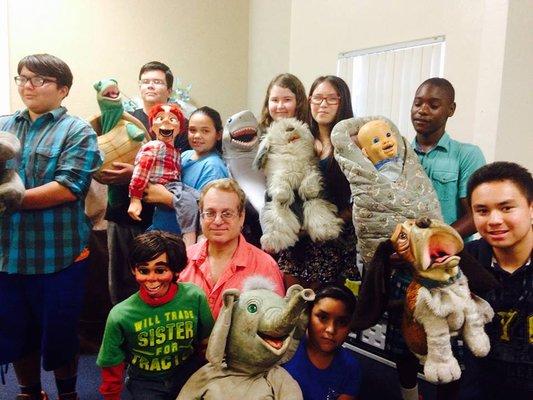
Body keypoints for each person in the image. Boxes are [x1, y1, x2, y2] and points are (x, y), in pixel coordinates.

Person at [0, 54, 102, 400]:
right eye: (22, 78)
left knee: (60, 335)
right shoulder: (3, 127)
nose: (27, 85)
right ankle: (29, 392)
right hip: (7, 255)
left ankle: (68, 393)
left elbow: (68, 187)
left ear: (63, 89)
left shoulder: (77, 131)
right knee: (15, 332)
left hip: (58, 257)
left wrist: (9, 198)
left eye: (38, 79)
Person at [99, 61, 189, 304]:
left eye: (158, 82)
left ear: (169, 90)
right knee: (122, 278)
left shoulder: (182, 126)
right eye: (146, 81)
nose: (151, 86)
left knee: (161, 280)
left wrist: (135, 173)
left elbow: (178, 172)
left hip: (161, 218)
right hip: (121, 213)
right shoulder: (126, 120)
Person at [97, 230, 214, 400]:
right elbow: (111, 364)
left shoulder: (194, 297)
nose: (151, 278)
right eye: (144, 270)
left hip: (188, 374)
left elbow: (208, 342)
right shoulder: (120, 315)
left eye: (160, 270)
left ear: (175, 270)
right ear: (133, 270)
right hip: (145, 382)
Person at [274, 75, 360, 289]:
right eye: (317, 98)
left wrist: (336, 219)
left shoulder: (354, 143)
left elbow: (366, 196)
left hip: (333, 241)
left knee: (325, 312)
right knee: (292, 311)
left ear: (343, 102)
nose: (323, 104)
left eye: (331, 99)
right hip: (297, 242)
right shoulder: (300, 138)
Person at [465, 161, 532, 399]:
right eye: (482, 211)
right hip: (480, 386)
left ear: (531, 208)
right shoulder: (464, 262)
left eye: (506, 208)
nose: (494, 220)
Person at [178, 178, 285, 318]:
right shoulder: (183, 259)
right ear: (201, 217)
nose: (217, 221)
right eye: (210, 213)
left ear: (241, 217)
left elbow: (274, 325)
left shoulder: (265, 266)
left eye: (227, 213)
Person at [411, 77, 485, 238]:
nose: (422, 110)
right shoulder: (400, 155)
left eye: (434, 105)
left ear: (451, 110)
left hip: (450, 258)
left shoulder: (467, 155)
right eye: (417, 104)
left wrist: (432, 242)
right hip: (401, 255)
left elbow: (475, 215)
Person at [128, 103, 198, 246]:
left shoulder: (176, 151)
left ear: (179, 128)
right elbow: (140, 172)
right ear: (153, 126)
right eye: (160, 118)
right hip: (164, 185)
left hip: (176, 185)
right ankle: (189, 239)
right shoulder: (154, 146)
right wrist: (135, 199)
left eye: (172, 119)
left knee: (200, 197)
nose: (166, 121)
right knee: (187, 202)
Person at [283, 284, 362, 400]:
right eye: (323, 317)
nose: (331, 329)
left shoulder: (350, 368)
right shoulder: (285, 350)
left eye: (342, 322)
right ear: (307, 315)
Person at [181, 106, 229, 191]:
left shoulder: (213, 167)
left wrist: (167, 197)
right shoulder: (185, 155)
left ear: (218, 135)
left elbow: (203, 203)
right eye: (192, 130)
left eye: (205, 131)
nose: (197, 136)